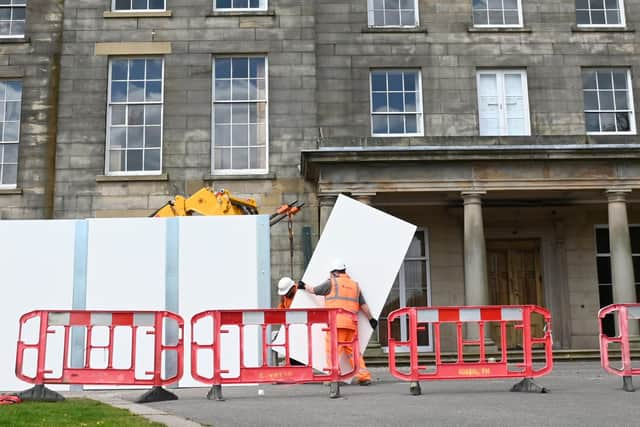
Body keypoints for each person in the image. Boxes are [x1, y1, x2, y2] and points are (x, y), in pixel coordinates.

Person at [296, 259, 377, 385]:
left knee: (332, 350)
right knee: (352, 351)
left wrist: (304, 286)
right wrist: (371, 319)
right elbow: (363, 305)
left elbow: (315, 290)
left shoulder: (331, 283)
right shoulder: (355, 285)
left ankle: (334, 376)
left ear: (334, 273)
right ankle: (364, 376)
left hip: (336, 324)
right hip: (351, 324)